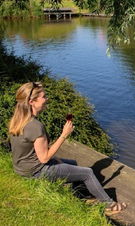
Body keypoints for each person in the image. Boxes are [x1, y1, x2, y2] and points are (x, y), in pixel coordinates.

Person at [8, 82, 127, 214]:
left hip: (22, 168)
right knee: (87, 173)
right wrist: (64, 135)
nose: (47, 99)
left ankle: (80, 196)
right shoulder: (35, 126)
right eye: (44, 96)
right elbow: (43, 158)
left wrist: (56, 158)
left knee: (73, 164)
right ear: (32, 101)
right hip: (36, 171)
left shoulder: (18, 119)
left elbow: (32, 151)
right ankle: (109, 206)